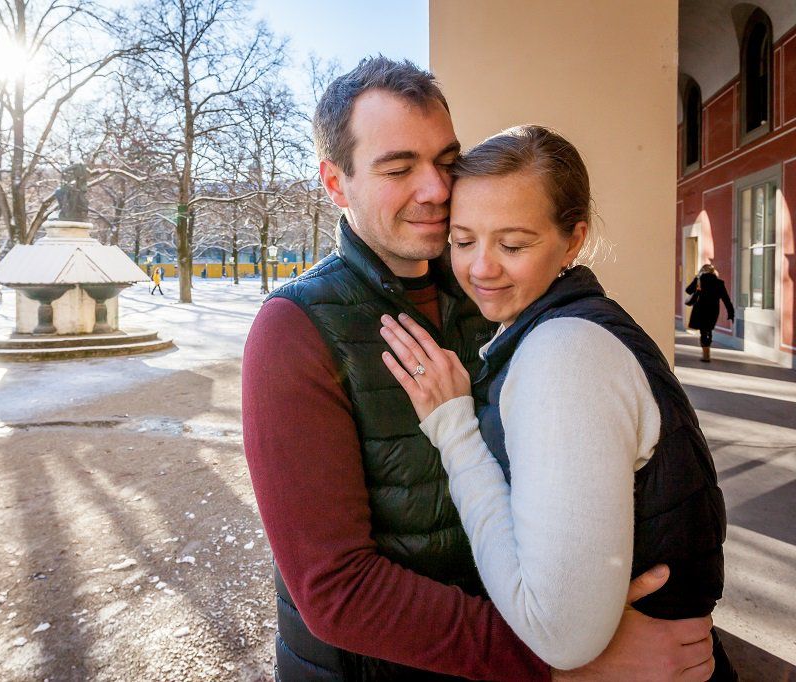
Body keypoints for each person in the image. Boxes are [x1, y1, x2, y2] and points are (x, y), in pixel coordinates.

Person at [242, 57, 716, 681]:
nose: (437, 189)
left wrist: (575, 613)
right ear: (336, 182)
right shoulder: (292, 331)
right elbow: (336, 590)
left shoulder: (487, 293)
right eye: (398, 168)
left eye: (445, 160)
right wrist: (553, 659)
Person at [379, 125, 733, 679]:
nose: (480, 268)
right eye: (464, 240)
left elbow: (559, 636)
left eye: (513, 245)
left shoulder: (565, 353)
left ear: (573, 241)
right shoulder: (569, 329)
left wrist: (454, 429)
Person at [686, 264, 734, 362]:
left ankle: (706, 353)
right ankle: (707, 348)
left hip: (700, 309)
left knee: (703, 331)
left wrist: (697, 279)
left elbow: (688, 290)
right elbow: (726, 299)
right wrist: (730, 312)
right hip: (713, 310)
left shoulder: (699, 280)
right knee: (709, 329)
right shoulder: (719, 283)